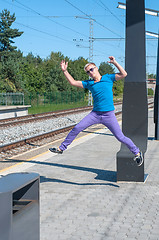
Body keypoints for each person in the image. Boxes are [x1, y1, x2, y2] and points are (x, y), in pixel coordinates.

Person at [49, 56, 143, 167]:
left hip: (108, 115)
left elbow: (124, 74)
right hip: (95, 114)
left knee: (120, 137)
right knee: (77, 128)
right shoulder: (89, 83)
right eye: (88, 72)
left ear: (96, 68)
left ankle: (137, 152)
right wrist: (65, 71)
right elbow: (73, 82)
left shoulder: (108, 78)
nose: (90, 72)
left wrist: (114, 63)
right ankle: (61, 148)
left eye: (91, 69)